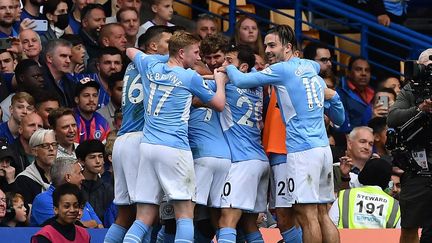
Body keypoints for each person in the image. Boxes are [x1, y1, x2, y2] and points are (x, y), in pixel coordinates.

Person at [223, 24, 343, 243]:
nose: (267, 50)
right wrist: (334, 98)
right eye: (266, 45)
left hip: (302, 152)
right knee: (323, 213)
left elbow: (240, 80)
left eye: (272, 45)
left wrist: (228, 66)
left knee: (307, 217)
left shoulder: (282, 70)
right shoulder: (311, 72)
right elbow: (341, 120)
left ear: (288, 48)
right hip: (323, 149)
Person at [123, 30, 226, 243]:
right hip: (174, 148)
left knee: (143, 217)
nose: (199, 57)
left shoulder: (151, 66)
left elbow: (130, 50)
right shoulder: (189, 77)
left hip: (148, 147)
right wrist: (220, 81)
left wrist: (165, 58)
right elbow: (219, 104)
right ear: (181, 53)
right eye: (196, 53)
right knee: (185, 214)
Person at [104, 26, 170, 243]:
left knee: (125, 216)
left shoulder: (133, 66)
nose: (175, 49)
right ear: (153, 46)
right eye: (169, 43)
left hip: (123, 140)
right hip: (142, 141)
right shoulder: (158, 65)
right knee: (146, 215)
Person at [217, 44, 268, 243]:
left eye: (230, 61)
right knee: (248, 224)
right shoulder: (257, 85)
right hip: (260, 160)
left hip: (242, 161)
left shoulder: (228, 87)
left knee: (227, 220)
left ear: (243, 68)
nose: (224, 64)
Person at [387, 48, 432, 243]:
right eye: (429, 67)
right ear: (419, 68)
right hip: (417, 165)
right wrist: (419, 109)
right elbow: (392, 118)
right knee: (409, 226)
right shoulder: (410, 89)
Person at [30, 156, 103, 228]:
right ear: (68, 177)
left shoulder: (81, 198)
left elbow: (100, 226)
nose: (83, 178)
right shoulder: (43, 200)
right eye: (79, 173)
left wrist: (91, 224)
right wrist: (92, 224)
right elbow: (62, 227)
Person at [329, 158, 400, 228]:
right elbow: (400, 233)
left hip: (345, 239)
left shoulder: (345, 196)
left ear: (363, 174)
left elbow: (331, 225)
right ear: (387, 181)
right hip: (382, 240)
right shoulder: (395, 205)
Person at [14, 129, 57, 206]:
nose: (51, 148)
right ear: (34, 151)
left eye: (54, 144)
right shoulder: (24, 180)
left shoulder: (61, 175)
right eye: (46, 145)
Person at [76, 139, 113, 223]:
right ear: (81, 161)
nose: (98, 161)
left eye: (100, 156)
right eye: (92, 157)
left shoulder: (108, 189)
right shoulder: (75, 187)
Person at [336, 57, 374, 133]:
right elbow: (344, 127)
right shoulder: (340, 93)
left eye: (367, 70)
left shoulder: (374, 93)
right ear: (348, 72)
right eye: (358, 69)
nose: (364, 73)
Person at [73, 77, 111, 143]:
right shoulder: (70, 120)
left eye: (95, 95)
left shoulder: (102, 122)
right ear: (77, 99)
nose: (91, 99)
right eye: (86, 95)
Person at [43, 39, 77, 108]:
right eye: (63, 56)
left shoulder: (71, 84)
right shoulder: (39, 81)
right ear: (49, 58)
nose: (68, 61)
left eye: (70, 57)